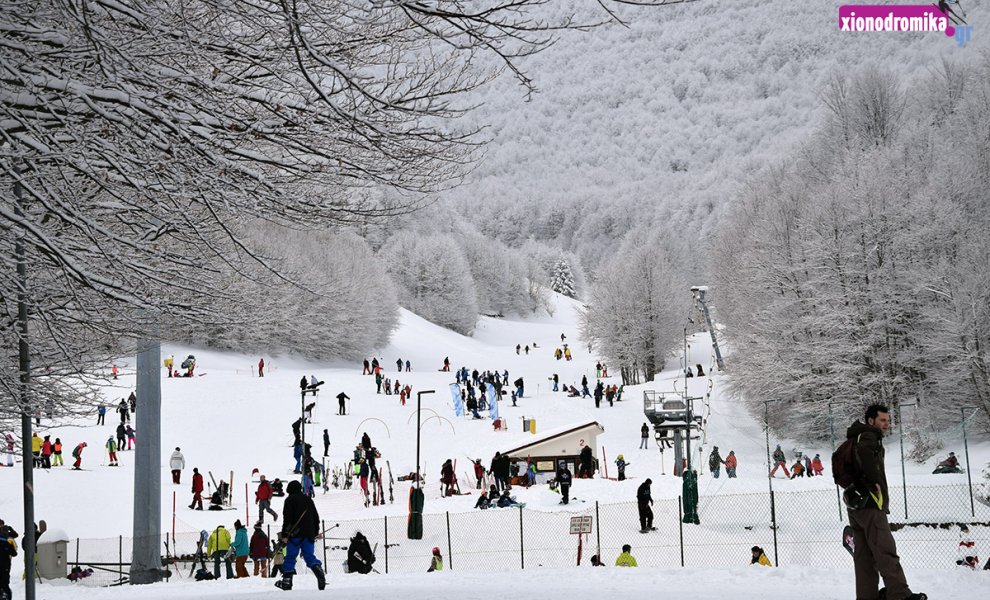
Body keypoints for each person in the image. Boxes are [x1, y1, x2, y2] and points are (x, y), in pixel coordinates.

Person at [846, 404, 927, 600]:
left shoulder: (855, 436)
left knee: (864, 558)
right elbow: (865, 455)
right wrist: (874, 482)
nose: (886, 424)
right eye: (882, 420)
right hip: (871, 504)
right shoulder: (868, 435)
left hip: (855, 505)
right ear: (871, 420)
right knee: (885, 551)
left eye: (888, 420)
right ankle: (900, 595)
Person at [276, 480, 325, 590]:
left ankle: (287, 582)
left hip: (295, 535)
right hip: (309, 534)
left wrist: (284, 535)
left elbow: (287, 519)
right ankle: (318, 569)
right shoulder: (308, 499)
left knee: (290, 557)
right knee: (309, 556)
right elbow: (315, 517)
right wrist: (316, 532)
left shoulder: (289, 500)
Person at [0, 522, 18, 600]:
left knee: (4, 584)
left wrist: (10, 529)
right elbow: (14, 553)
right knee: (5, 584)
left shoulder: (7, 535)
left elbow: (15, 535)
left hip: (5, 563)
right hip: (6, 563)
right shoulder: (7, 541)